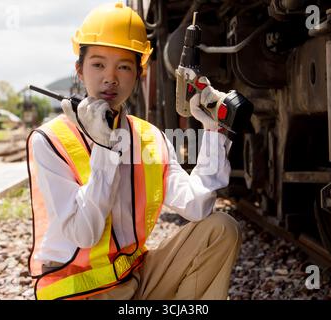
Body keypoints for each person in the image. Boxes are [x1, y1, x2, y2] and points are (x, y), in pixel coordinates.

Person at [26, 2, 243, 300]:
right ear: (79, 69)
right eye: (98, 64)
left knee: (220, 229)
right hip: (80, 293)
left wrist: (215, 130)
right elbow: (83, 233)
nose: (110, 78)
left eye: (124, 66)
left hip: (135, 280)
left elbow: (197, 207)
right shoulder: (50, 140)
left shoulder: (149, 138)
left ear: (140, 73)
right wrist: (104, 150)